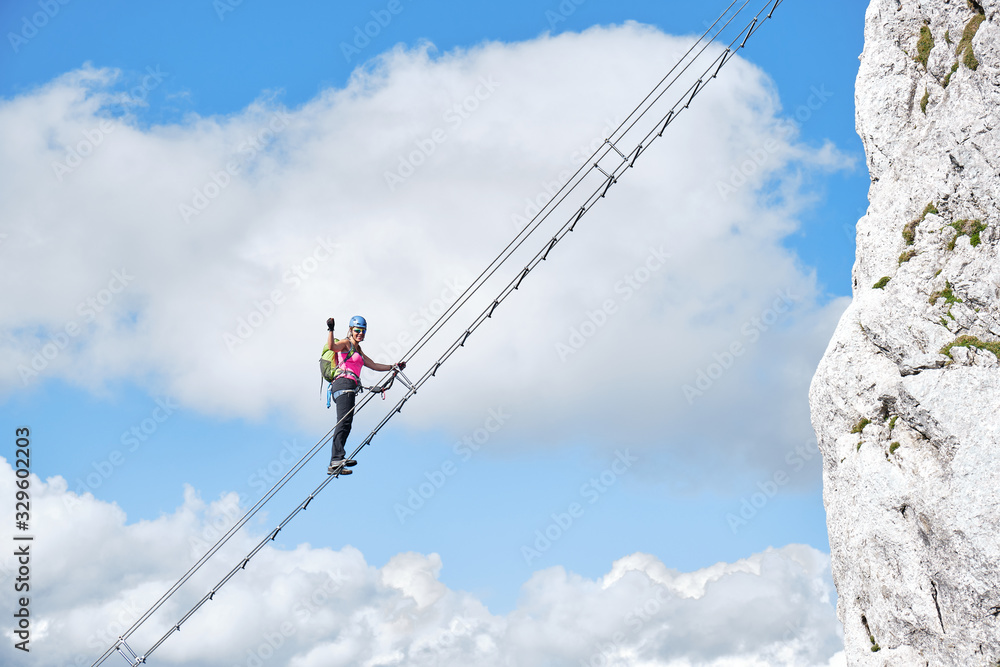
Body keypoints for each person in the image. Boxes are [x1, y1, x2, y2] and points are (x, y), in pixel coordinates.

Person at [324, 315, 405, 475]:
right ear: (351, 330)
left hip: (350, 386)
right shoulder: (346, 344)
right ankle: (336, 459)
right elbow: (332, 346)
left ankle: (336, 460)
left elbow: (373, 365)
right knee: (344, 421)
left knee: (347, 422)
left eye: (363, 331)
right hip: (343, 384)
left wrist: (393, 367)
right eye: (357, 330)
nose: (360, 333)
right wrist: (331, 329)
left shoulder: (358, 350)